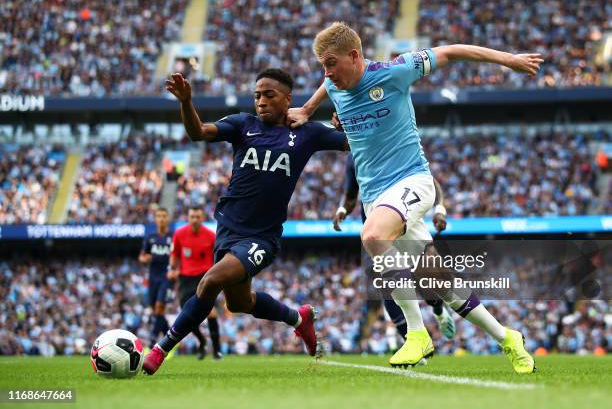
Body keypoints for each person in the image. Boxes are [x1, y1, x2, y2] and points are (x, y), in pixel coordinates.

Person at [288, 22, 542, 373]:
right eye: (322, 66)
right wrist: (305, 109)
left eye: (331, 63)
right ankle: (508, 337)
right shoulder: (334, 83)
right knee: (441, 284)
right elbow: (326, 85)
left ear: (355, 56)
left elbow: (451, 50)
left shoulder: (395, 72)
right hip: (375, 197)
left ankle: (418, 333)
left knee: (373, 236)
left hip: (413, 181)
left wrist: (508, 60)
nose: (327, 73)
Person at [143, 68, 349, 374]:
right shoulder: (243, 124)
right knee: (239, 303)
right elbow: (198, 132)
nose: (261, 101)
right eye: (257, 96)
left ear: (288, 99)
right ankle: (298, 318)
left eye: (269, 95)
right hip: (227, 230)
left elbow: (352, 143)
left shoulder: (307, 133)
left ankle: (161, 349)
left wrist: (347, 122)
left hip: (262, 237)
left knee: (210, 281)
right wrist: (186, 101)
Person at [334, 150, 455, 341]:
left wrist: (439, 209)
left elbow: (428, 181)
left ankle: (439, 310)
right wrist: (342, 209)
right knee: (385, 282)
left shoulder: (391, 144)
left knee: (426, 279)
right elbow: (350, 195)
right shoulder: (354, 157)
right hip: (377, 232)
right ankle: (410, 337)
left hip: (404, 223)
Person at [168, 205, 221, 360]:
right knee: (188, 314)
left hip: (205, 277)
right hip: (185, 279)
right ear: (188, 217)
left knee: (211, 313)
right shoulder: (179, 234)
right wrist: (172, 268)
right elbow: (175, 254)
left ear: (202, 218)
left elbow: (218, 256)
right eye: (192, 216)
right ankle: (202, 341)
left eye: (198, 217)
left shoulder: (211, 235)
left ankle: (217, 350)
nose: (195, 220)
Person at [138, 207, 173, 348]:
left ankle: (152, 341)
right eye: (159, 216)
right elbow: (142, 256)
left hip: (167, 277)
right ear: (156, 219)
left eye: (164, 216)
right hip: (153, 277)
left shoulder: (174, 236)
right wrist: (144, 258)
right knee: (156, 311)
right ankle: (169, 338)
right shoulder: (150, 237)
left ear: (168, 218)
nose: (162, 218)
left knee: (159, 307)